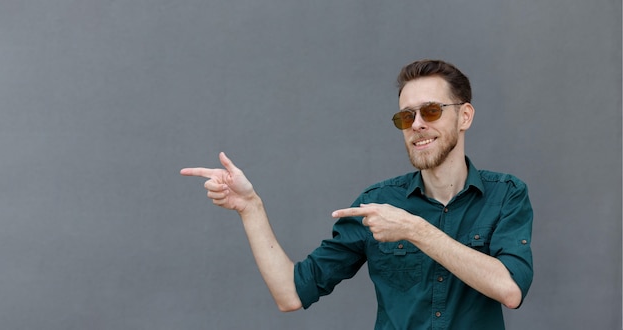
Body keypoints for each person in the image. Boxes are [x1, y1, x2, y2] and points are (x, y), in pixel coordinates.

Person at [180, 59, 533, 329]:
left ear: (465, 116)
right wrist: (250, 208)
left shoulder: (506, 195)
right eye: (405, 117)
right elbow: (291, 293)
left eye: (431, 111)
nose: (417, 125)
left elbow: (510, 289)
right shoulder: (378, 203)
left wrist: (414, 229)